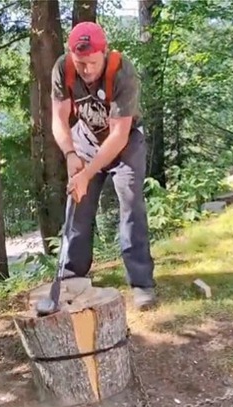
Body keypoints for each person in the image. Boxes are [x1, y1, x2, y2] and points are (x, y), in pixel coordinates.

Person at [50, 22, 157, 311]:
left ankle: (141, 283)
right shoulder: (63, 69)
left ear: (104, 52)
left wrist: (88, 172)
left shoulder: (122, 71)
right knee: (78, 205)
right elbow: (59, 120)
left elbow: (119, 135)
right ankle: (71, 277)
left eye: (92, 63)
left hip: (125, 144)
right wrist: (71, 155)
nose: (86, 70)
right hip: (84, 139)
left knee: (131, 205)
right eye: (80, 63)